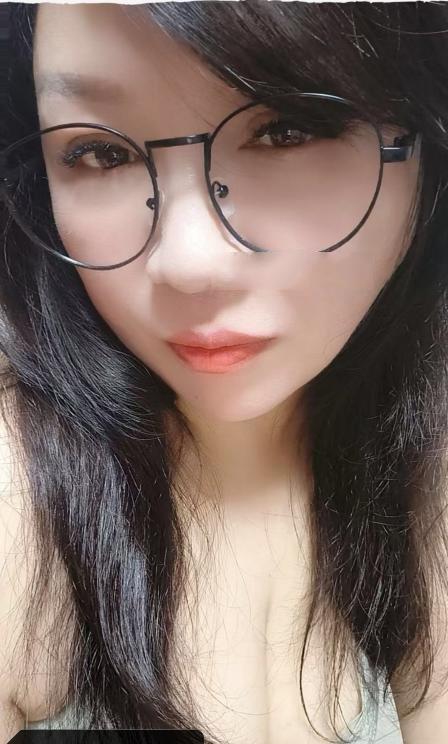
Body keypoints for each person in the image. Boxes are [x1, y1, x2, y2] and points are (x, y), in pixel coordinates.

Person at [1, 2, 448, 743]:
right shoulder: (23, 500)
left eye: (287, 130)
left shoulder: (418, 450)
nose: (188, 262)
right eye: (99, 153)